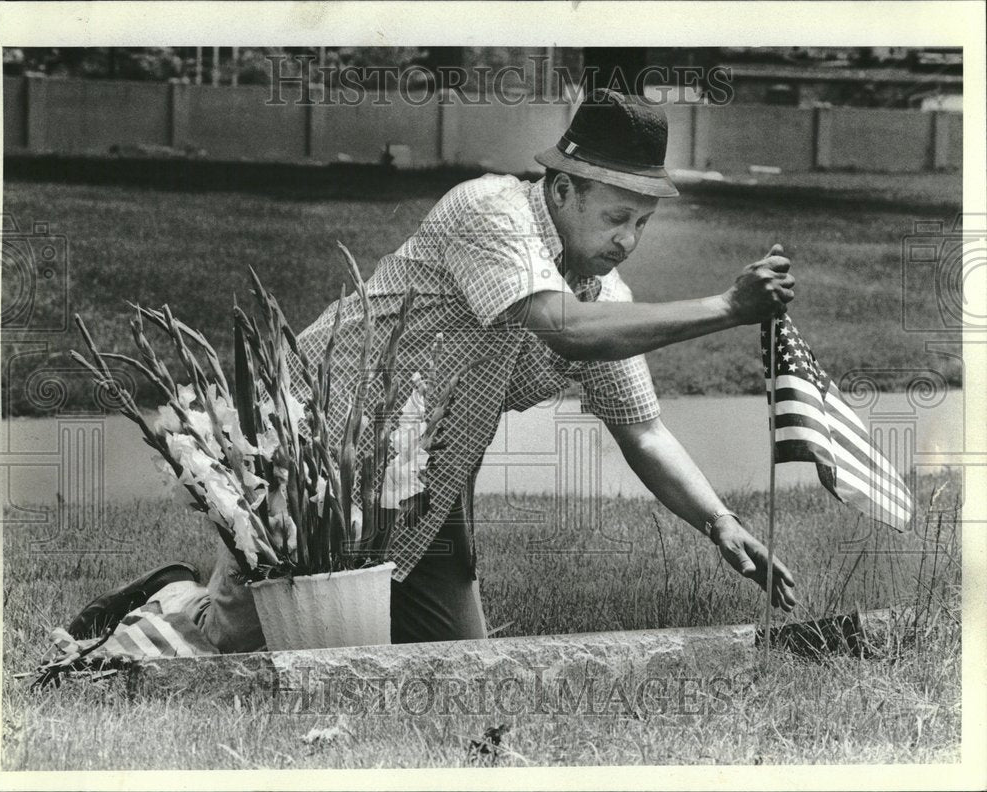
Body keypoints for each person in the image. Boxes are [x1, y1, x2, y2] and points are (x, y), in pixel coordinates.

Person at [68, 89, 797, 650]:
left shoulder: (605, 299)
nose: (628, 240)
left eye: (644, 222)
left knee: (458, 669)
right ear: (563, 187)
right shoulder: (489, 211)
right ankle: (167, 597)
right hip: (317, 458)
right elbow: (560, 330)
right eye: (616, 216)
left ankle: (308, 604)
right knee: (234, 642)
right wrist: (729, 305)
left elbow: (642, 429)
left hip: (425, 490)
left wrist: (719, 520)